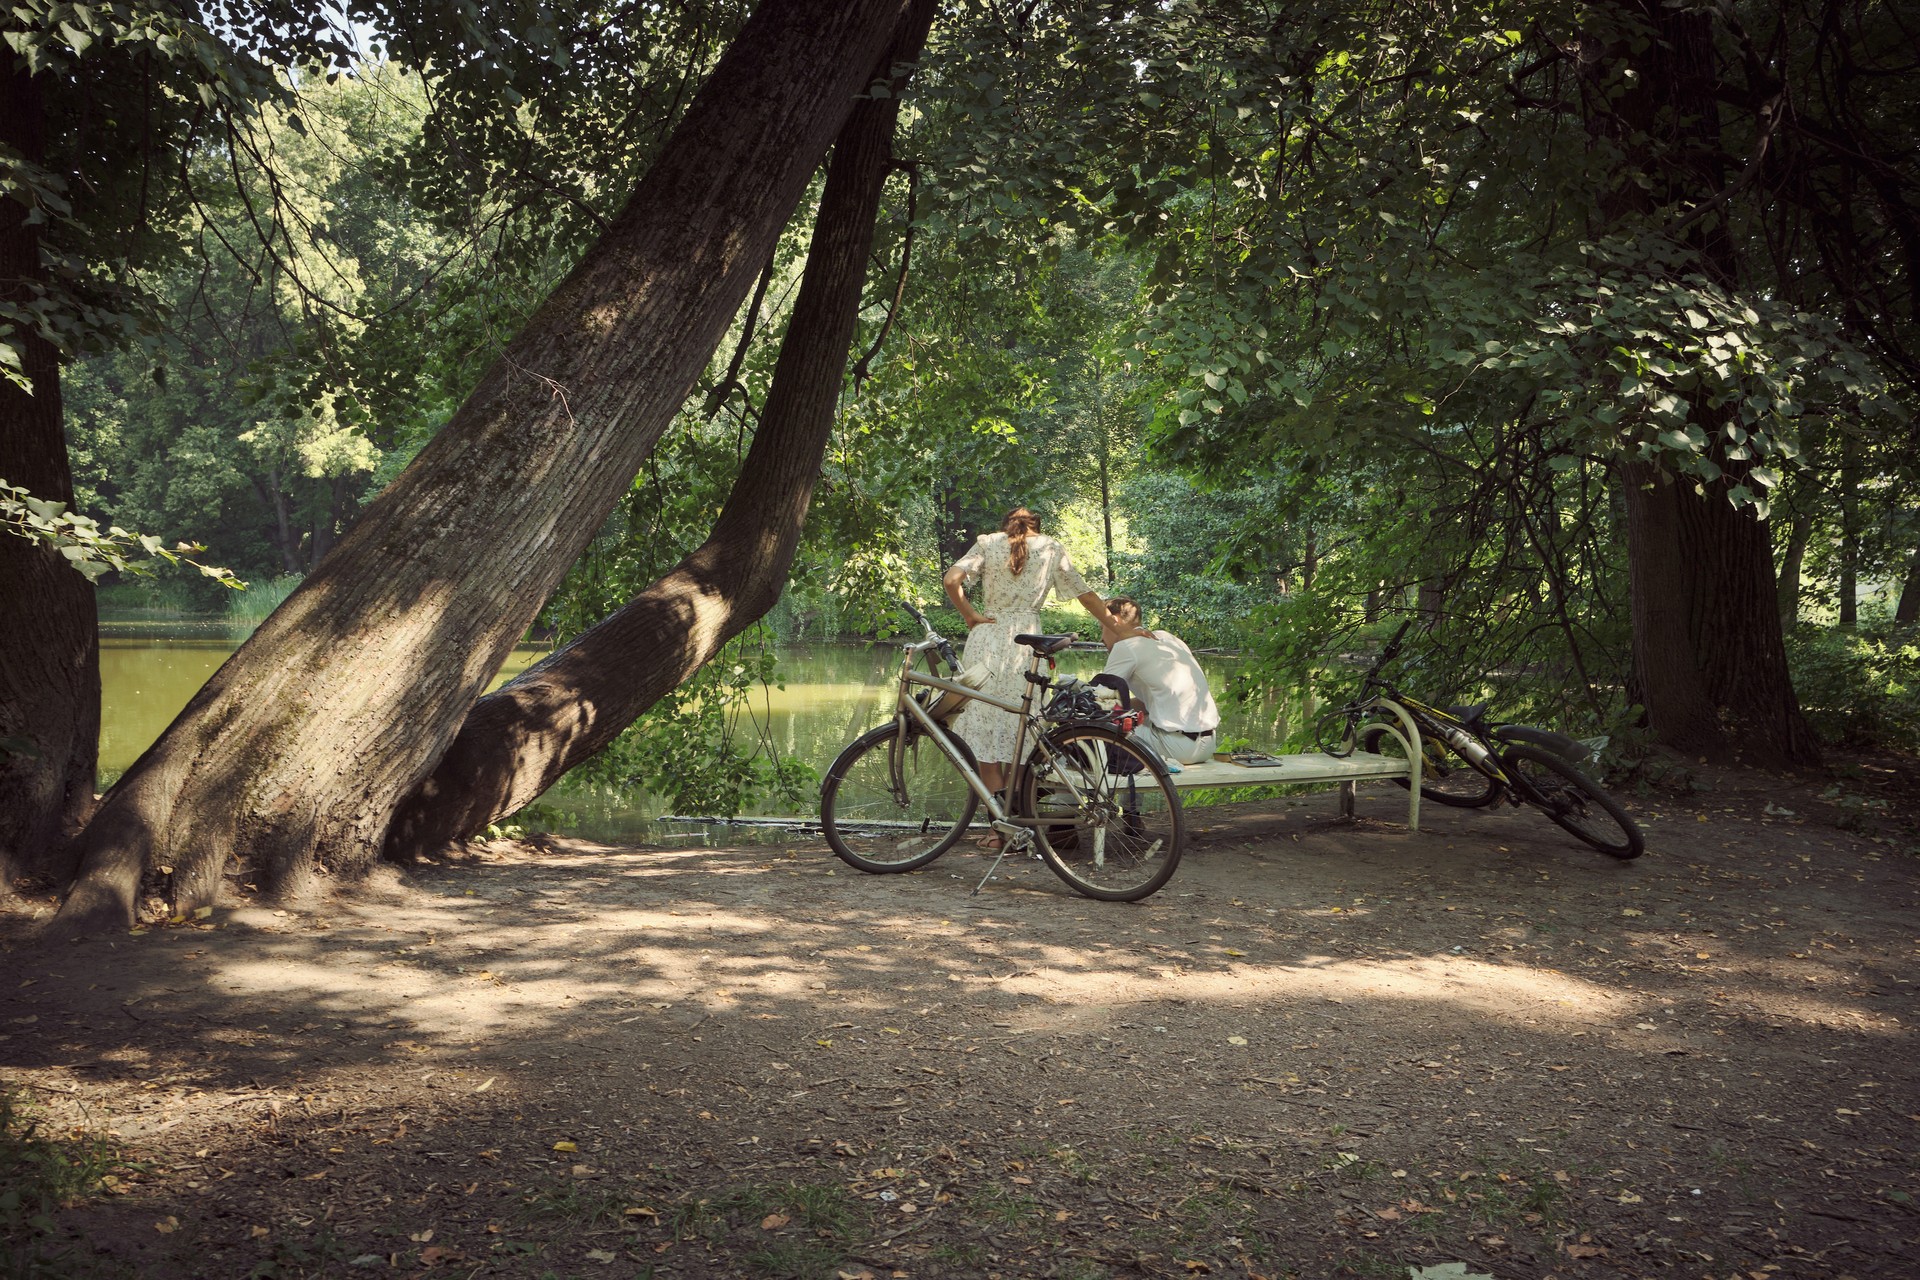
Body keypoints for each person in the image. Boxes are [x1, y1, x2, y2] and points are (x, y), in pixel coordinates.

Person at [943, 508, 1115, 809]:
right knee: (1021, 728)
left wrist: (970, 615)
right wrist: (1120, 628)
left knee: (986, 728)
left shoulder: (988, 543)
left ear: (1006, 524)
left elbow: (951, 580)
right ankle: (1015, 814)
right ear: (1038, 526)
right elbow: (1085, 595)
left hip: (988, 640)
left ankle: (999, 824)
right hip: (1027, 644)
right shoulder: (1050, 548)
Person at [1098, 596, 1220, 766]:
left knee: (1095, 733)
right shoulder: (1168, 638)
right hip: (1208, 744)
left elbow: (1101, 699)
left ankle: (1073, 788)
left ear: (1114, 621)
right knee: (1129, 721)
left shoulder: (1126, 646)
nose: (1101, 638)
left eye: (1101, 627)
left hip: (1175, 746)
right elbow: (1157, 700)